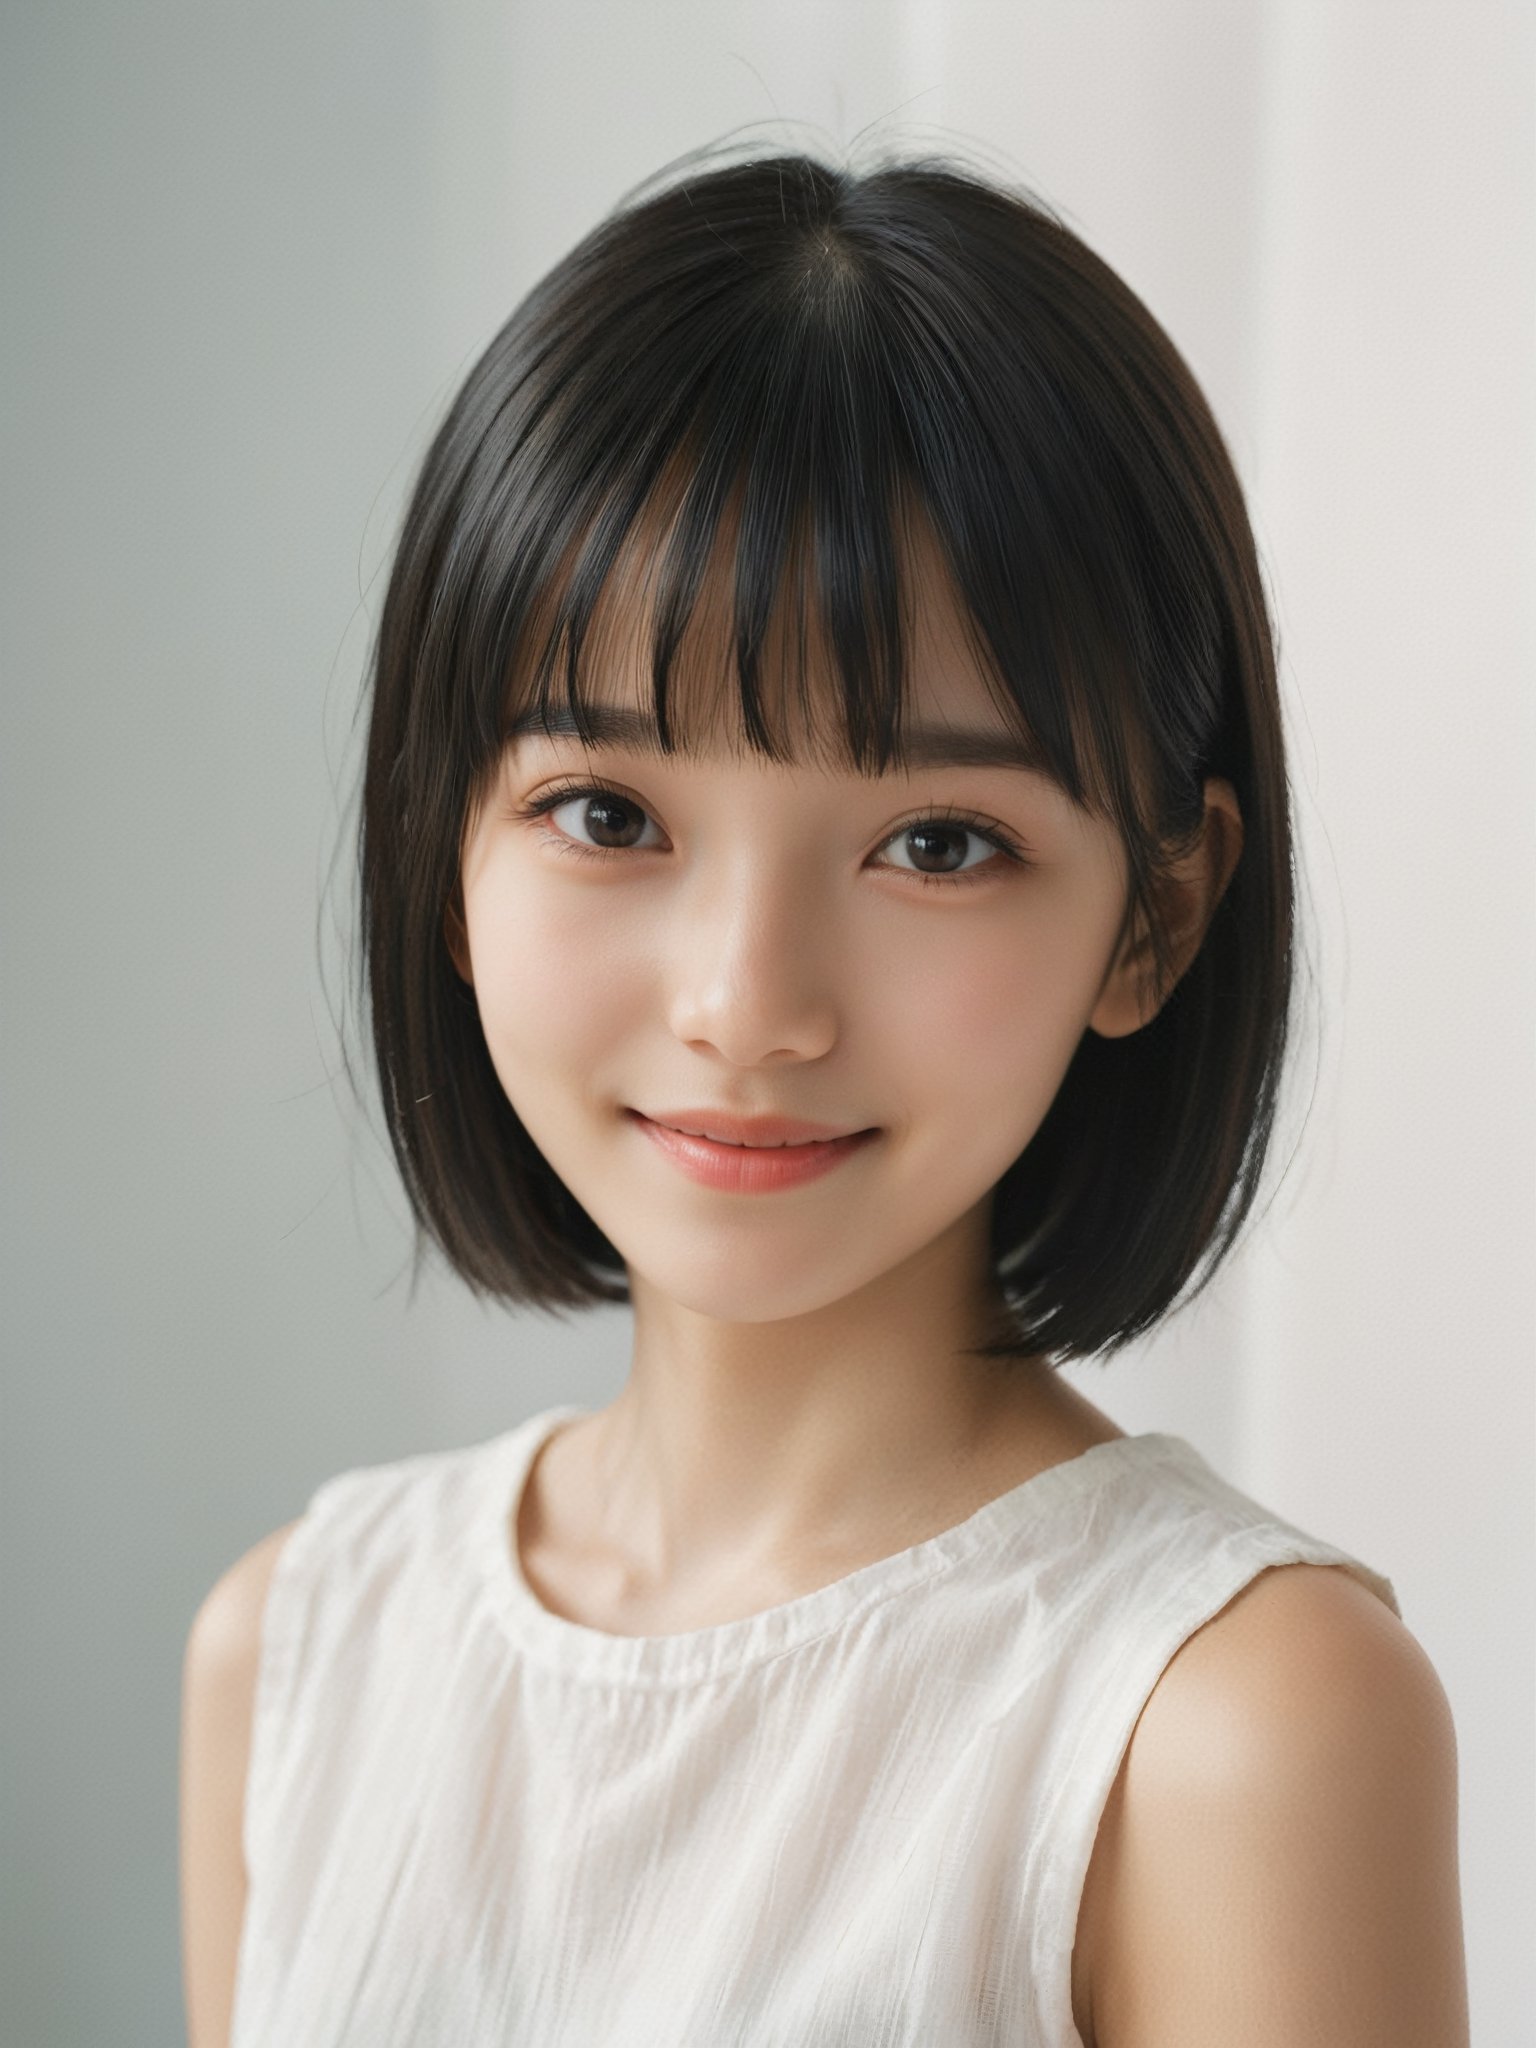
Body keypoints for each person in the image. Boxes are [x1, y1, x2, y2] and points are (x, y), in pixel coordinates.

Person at [179, 143, 1469, 2047]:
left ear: (1158, 919)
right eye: (606, 815)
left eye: (938, 842)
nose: (748, 1005)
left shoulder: (1231, 1725)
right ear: (435, 849)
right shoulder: (295, 1649)